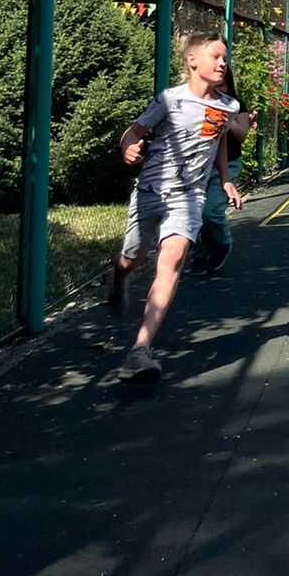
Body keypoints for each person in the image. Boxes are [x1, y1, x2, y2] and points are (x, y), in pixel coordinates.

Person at [109, 31, 241, 381]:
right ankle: (119, 273)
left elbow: (218, 140)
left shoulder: (228, 106)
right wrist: (127, 147)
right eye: (215, 56)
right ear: (192, 61)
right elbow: (134, 131)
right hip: (151, 191)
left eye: (224, 58)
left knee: (172, 259)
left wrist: (225, 179)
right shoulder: (169, 100)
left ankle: (140, 350)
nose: (223, 63)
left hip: (189, 196)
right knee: (134, 258)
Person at [192, 64, 255, 275]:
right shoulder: (196, 103)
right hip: (199, 164)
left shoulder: (236, 106)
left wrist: (226, 119)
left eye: (222, 86)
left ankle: (221, 244)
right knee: (193, 213)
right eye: (214, 86)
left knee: (212, 211)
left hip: (227, 164)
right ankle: (200, 255)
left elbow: (242, 135)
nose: (218, 91)